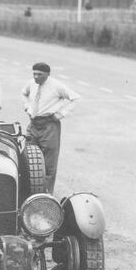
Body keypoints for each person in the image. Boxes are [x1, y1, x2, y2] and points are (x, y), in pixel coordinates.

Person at [20, 62, 80, 195]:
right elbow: (23, 93)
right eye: (34, 74)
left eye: (40, 74)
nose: (36, 77)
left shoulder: (56, 86)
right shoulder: (31, 83)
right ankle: (28, 194)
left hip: (49, 126)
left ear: (48, 74)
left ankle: (45, 196)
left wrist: (61, 114)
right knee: (29, 159)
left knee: (48, 164)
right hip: (33, 124)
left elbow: (75, 98)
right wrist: (27, 107)